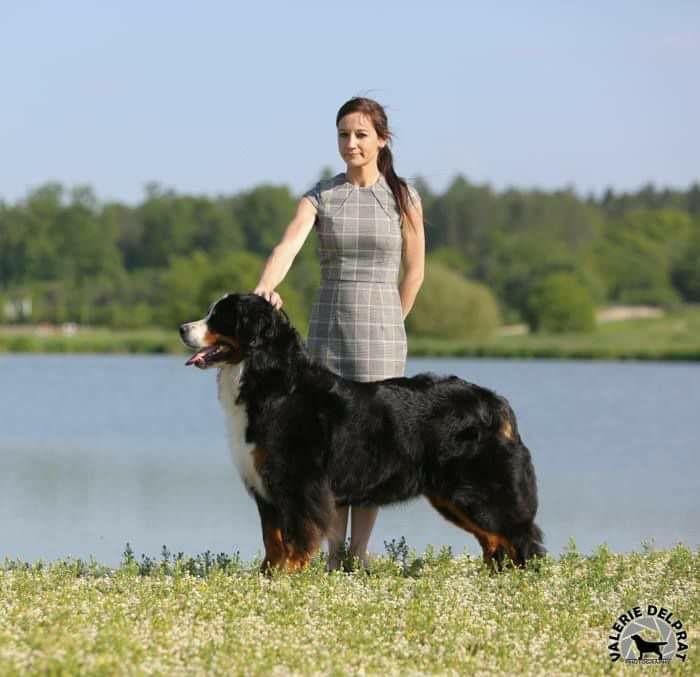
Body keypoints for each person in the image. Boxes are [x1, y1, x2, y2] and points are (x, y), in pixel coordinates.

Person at [253, 96, 425, 569]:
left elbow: (414, 272)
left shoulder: (404, 197)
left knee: (374, 444)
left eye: (361, 135)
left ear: (381, 139)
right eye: (344, 135)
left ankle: (358, 552)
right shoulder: (321, 196)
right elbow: (287, 245)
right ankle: (332, 553)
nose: (351, 143)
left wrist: (394, 318)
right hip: (329, 326)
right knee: (329, 442)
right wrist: (266, 287)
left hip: (383, 330)